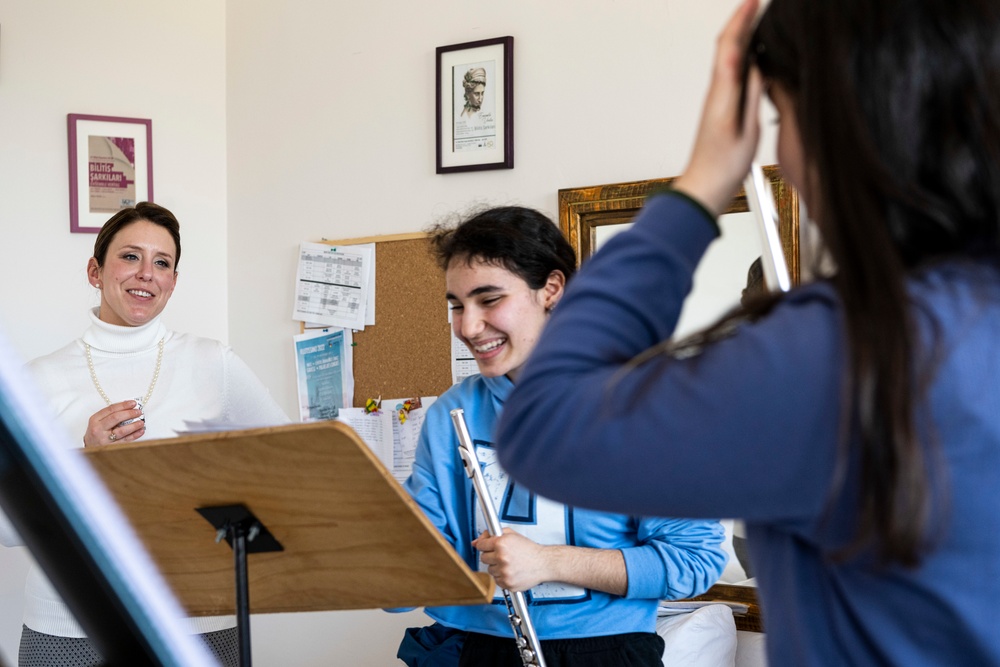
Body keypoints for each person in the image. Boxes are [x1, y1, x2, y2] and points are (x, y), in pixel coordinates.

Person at [496, 0, 1000, 664]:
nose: (784, 154)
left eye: (781, 118)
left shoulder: (844, 357)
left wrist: (700, 184)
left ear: (841, 127)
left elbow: (543, 426)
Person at [396, 206, 727, 667]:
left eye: (489, 299)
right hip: (467, 646)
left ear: (551, 289)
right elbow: (422, 557)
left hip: (602, 652)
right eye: (456, 305)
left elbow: (694, 563)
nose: (467, 327)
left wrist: (549, 563)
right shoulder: (452, 410)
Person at [4, 202, 289, 667]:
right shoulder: (35, 381)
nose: (147, 274)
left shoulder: (212, 363)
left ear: (174, 281)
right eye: (130, 256)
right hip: (68, 625)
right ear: (95, 271)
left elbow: (293, 459)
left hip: (199, 622)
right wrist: (85, 460)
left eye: (163, 263)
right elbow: (6, 527)